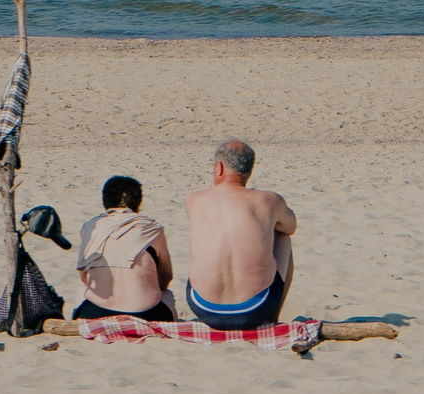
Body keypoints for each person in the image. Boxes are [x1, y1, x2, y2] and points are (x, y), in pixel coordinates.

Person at [182, 138, 296, 330]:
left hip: (204, 308)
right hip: (254, 310)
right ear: (249, 171)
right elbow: (291, 227)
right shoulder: (269, 200)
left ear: (219, 168)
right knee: (282, 235)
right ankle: (273, 319)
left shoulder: (193, 200)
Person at [73, 174, 177, 322]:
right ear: (138, 203)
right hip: (147, 315)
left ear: (105, 202)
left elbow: (84, 278)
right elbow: (166, 278)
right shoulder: (152, 229)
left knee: (81, 290)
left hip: (94, 313)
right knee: (167, 294)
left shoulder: (90, 227)